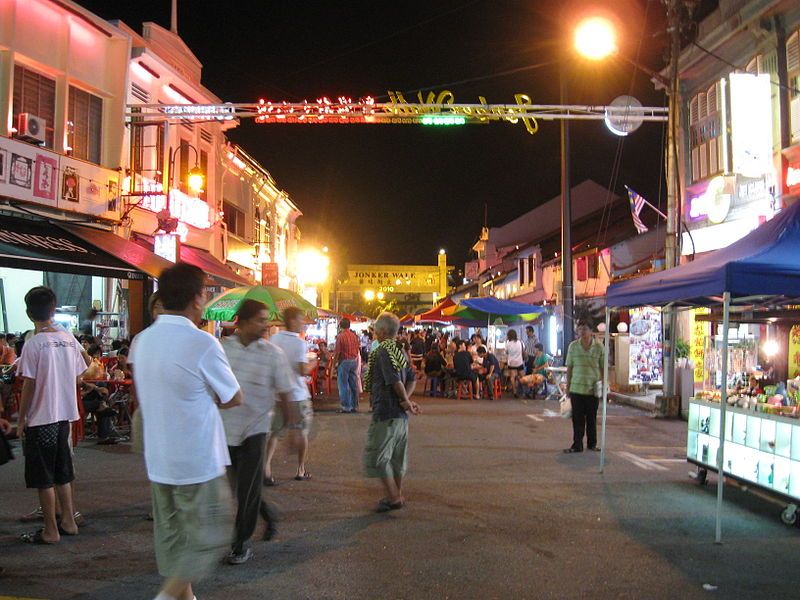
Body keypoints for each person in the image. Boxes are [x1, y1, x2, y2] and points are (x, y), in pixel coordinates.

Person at [129, 262, 242, 600]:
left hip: (160, 461)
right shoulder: (203, 343)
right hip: (197, 463)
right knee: (208, 539)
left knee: (173, 542)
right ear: (197, 298)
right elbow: (233, 396)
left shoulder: (142, 341)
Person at [220, 299, 293, 564]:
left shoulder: (273, 354)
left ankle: (240, 543)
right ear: (243, 321)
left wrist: (292, 426)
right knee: (241, 489)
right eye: (260, 320)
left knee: (248, 488)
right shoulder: (222, 349)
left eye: (266, 319)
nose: (265, 325)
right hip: (226, 428)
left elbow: (285, 391)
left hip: (256, 428)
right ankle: (267, 514)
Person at [16, 286, 88, 545]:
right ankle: (68, 521)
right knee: (62, 471)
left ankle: (50, 530)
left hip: (41, 417)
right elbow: (82, 372)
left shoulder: (33, 343)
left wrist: (21, 419)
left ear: (28, 313)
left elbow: (28, 384)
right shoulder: (68, 339)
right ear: (53, 309)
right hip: (64, 417)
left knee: (43, 477)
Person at [363, 312, 420, 512]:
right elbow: (411, 379)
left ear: (384, 331)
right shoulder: (400, 351)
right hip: (399, 415)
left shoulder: (384, 351)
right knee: (396, 458)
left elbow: (395, 380)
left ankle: (394, 496)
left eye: (376, 328)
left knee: (378, 457)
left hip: (386, 411)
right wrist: (406, 401)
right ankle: (397, 493)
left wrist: (405, 400)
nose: (374, 332)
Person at [265, 306, 315, 483]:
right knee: (302, 432)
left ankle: (267, 469)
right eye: (301, 320)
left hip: (279, 395)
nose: (303, 323)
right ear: (293, 321)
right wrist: (313, 363)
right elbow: (302, 370)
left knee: (275, 433)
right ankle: (300, 469)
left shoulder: (274, 338)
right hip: (297, 395)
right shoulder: (300, 343)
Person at [564, 321, 604, 454]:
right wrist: (567, 386)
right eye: (580, 329)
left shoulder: (599, 347)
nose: (582, 332)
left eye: (585, 329)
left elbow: (603, 368)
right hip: (576, 388)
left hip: (592, 389)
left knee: (592, 418)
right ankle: (577, 444)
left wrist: (603, 385)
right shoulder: (573, 346)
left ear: (591, 331)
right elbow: (569, 367)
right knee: (577, 418)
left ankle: (592, 443)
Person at [333, 318, 360, 413]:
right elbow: (357, 348)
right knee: (353, 384)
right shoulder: (354, 335)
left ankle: (346, 406)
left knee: (343, 384)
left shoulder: (340, 336)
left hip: (344, 361)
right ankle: (354, 406)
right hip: (354, 361)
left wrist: (334, 364)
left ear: (340, 325)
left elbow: (337, 353)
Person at [505, 329, 525, 398]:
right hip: (519, 362)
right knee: (523, 376)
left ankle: (514, 391)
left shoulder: (508, 343)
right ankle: (524, 390)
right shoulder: (520, 342)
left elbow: (506, 352)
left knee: (512, 377)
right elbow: (523, 350)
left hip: (511, 363)